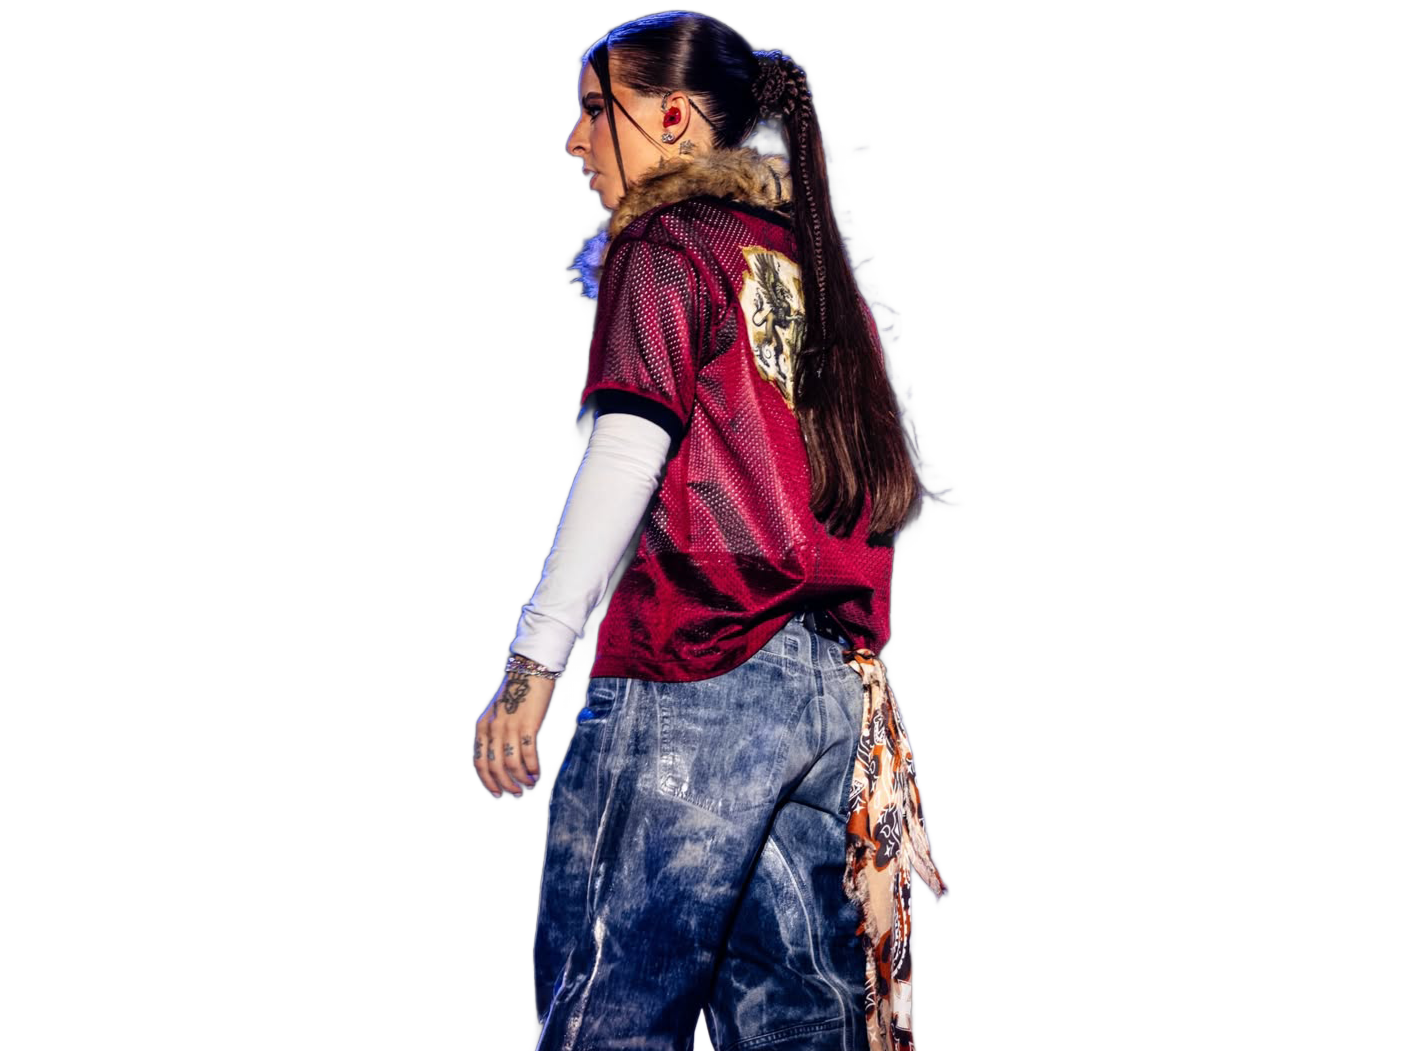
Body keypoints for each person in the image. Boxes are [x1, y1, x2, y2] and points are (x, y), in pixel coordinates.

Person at [472, 12, 953, 1050]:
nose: (575, 140)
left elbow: (626, 454)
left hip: (695, 665)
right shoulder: (816, 273)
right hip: (831, 702)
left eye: (596, 109)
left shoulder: (668, 243)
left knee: (610, 1013)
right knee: (800, 1028)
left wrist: (533, 660)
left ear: (673, 117)